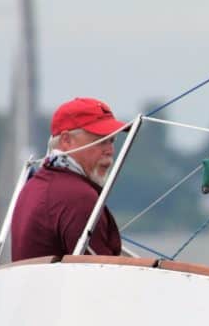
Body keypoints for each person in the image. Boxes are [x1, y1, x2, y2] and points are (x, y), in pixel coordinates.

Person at [11, 97, 127, 261]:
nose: (110, 150)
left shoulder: (33, 185)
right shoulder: (78, 196)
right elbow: (102, 273)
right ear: (66, 140)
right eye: (101, 140)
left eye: (112, 140)